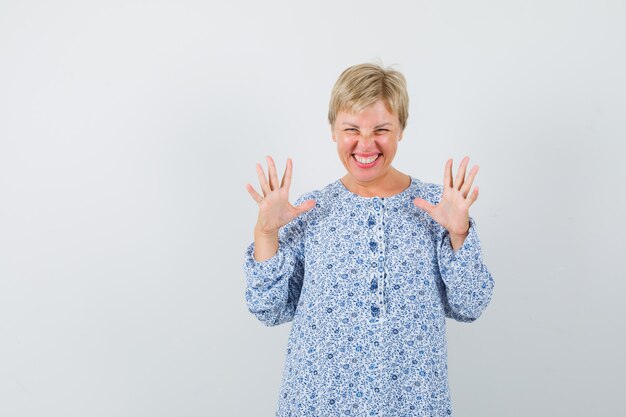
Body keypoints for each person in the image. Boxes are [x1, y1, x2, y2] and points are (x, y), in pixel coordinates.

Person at [242, 62, 495, 416]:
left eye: (381, 129)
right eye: (351, 129)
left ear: (401, 130)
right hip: (318, 402)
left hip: (412, 403)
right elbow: (268, 309)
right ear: (332, 130)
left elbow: (471, 305)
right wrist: (267, 233)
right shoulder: (309, 212)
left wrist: (459, 233)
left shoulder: (439, 210)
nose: (365, 143)